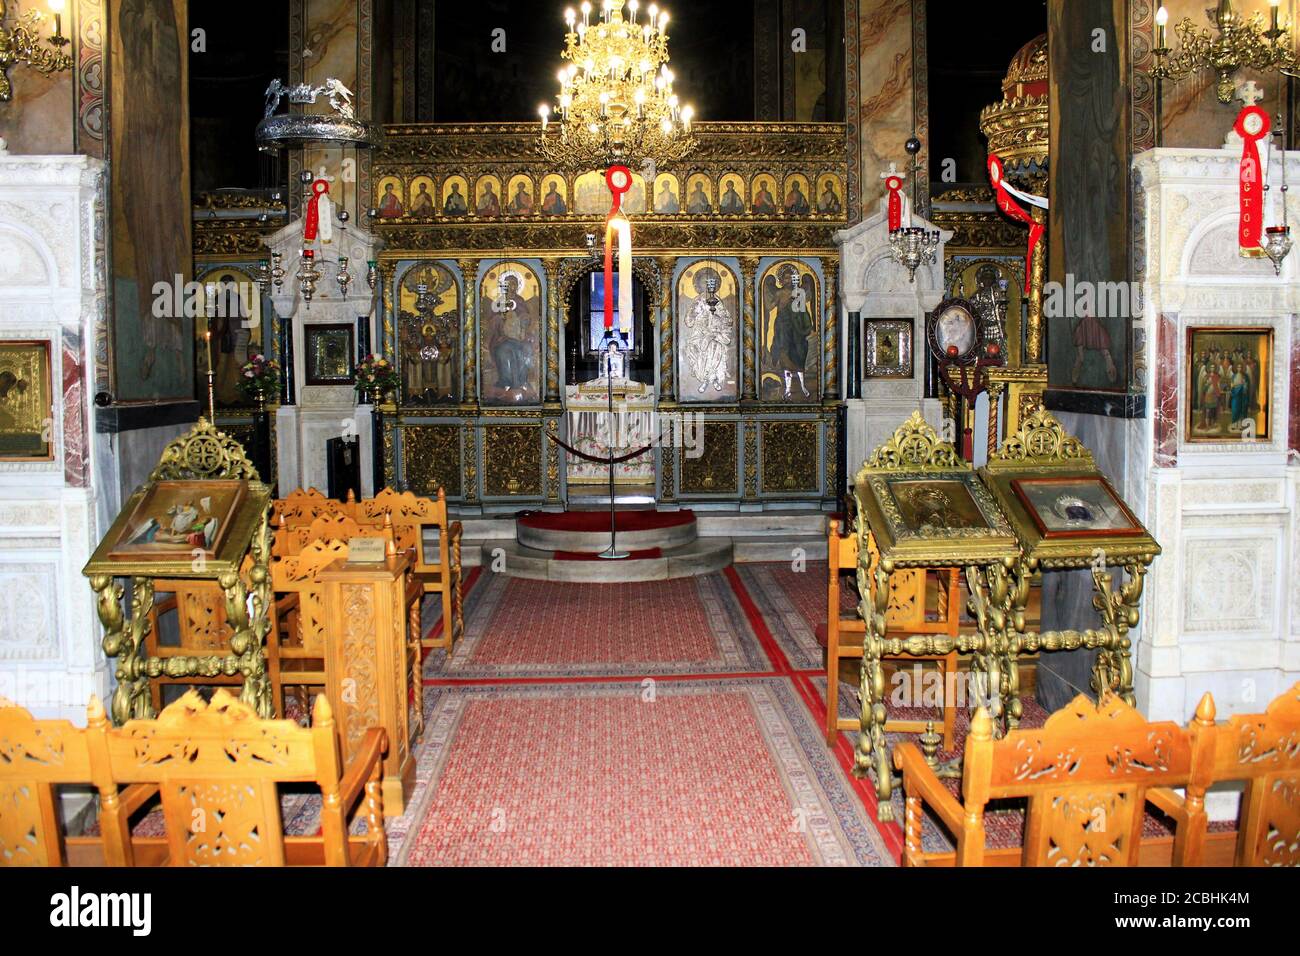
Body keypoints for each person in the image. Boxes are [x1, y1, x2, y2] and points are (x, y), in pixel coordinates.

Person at [683, 270, 732, 393]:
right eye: (705, 283)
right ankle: (705, 378)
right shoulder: (698, 301)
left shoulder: (717, 301)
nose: (708, 286)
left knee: (715, 347)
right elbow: (688, 321)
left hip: (714, 333)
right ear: (699, 285)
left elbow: (727, 319)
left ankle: (711, 378)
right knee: (702, 348)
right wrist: (696, 313)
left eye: (711, 283)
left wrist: (716, 322)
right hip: (698, 335)